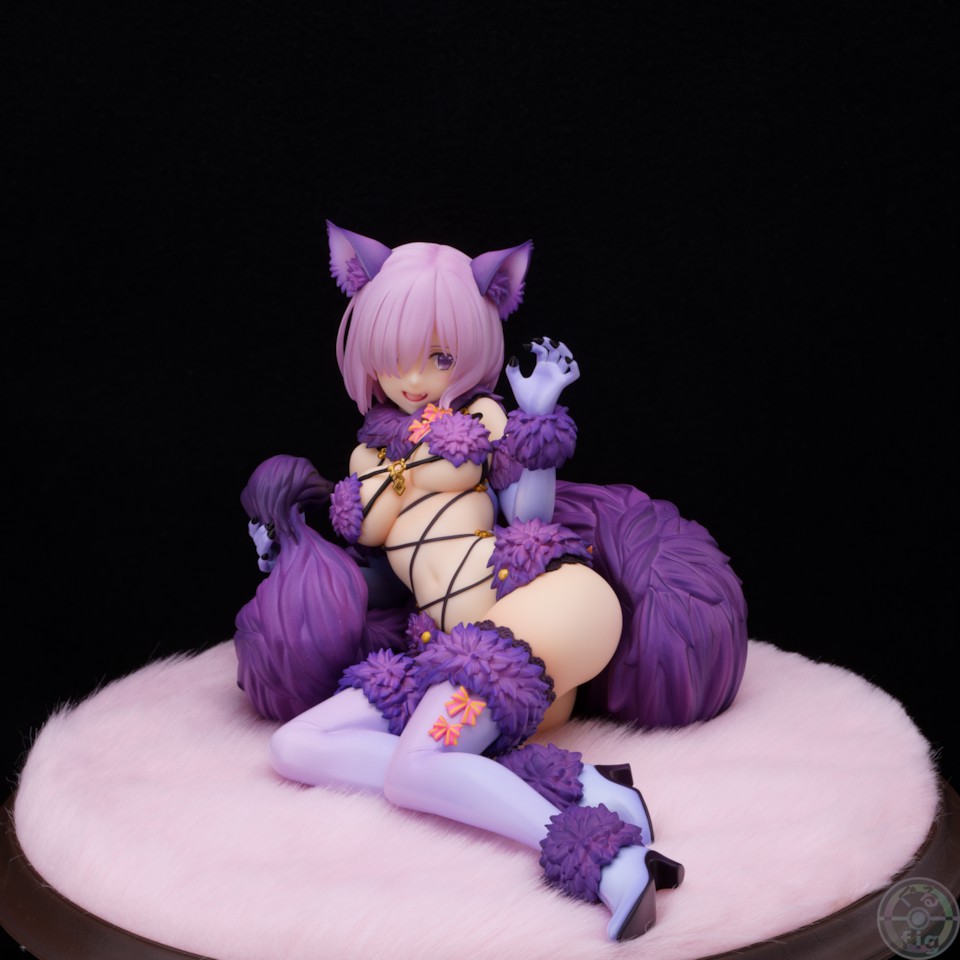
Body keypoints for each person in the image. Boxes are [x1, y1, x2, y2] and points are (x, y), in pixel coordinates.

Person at [235, 221, 748, 939]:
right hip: (462, 654)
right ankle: (592, 787)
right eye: (394, 356)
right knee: (297, 746)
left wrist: (535, 419)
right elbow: (384, 580)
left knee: (413, 770)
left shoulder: (480, 419)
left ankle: (607, 858)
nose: (415, 378)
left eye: (439, 357)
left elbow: (527, 514)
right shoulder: (364, 459)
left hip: (546, 602)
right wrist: (289, 559)